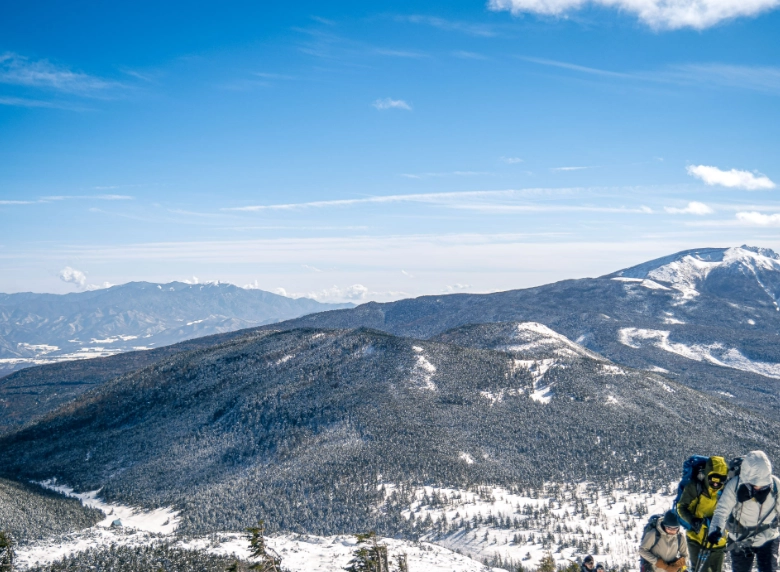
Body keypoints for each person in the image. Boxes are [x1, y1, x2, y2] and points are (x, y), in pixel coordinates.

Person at [708, 450, 780, 572]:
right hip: (740, 538)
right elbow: (722, 511)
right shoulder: (734, 485)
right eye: (756, 485)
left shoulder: (775, 484)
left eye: (764, 486)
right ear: (747, 478)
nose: (760, 489)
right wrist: (715, 529)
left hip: (768, 536)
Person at [676, 456, 728, 572]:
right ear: (708, 474)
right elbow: (681, 507)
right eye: (713, 479)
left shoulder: (727, 490)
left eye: (720, 480)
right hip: (697, 538)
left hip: (718, 540)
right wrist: (692, 520)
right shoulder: (695, 486)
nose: (716, 483)